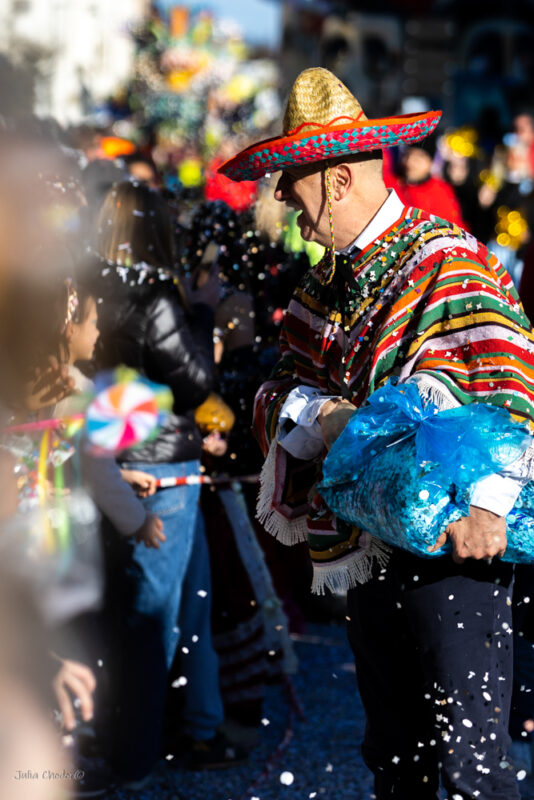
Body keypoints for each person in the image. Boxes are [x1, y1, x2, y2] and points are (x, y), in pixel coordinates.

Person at [219, 67, 534, 799]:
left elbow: (512, 385)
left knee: (466, 765)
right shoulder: (319, 288)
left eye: (289, 180)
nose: (280, 199)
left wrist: (486, 507)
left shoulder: (447, 260)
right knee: (393, 756)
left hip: (453, 553)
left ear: (333, 179)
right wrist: (316, 416)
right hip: (363, 551)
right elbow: (274, 388)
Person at [91, 181, 232, 786]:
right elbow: (196, 381)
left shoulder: (91, 287)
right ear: (159, 233)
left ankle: (201, 728)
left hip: (116, 454)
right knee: (153, 616)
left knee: (187, 601)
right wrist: (203, 309)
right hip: (164, 467)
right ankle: (135, 756)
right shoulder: (156, 296)